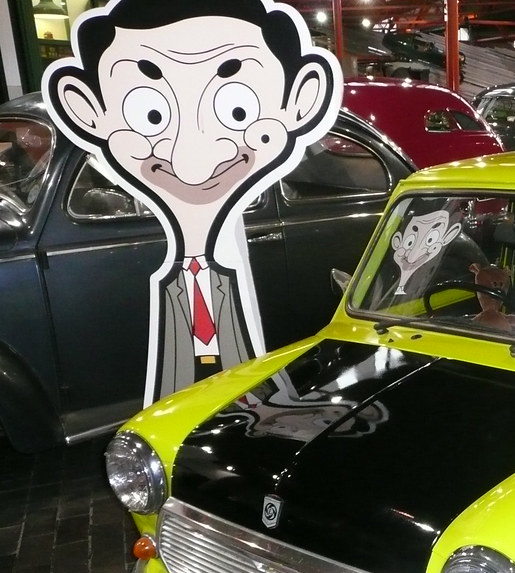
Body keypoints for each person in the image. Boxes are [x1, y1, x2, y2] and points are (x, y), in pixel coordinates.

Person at [42, 0, 340, 404]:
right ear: (86, 109)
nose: (192, 159)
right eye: (150, 114)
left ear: (302, 98)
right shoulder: (175, 283)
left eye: (238, 110)